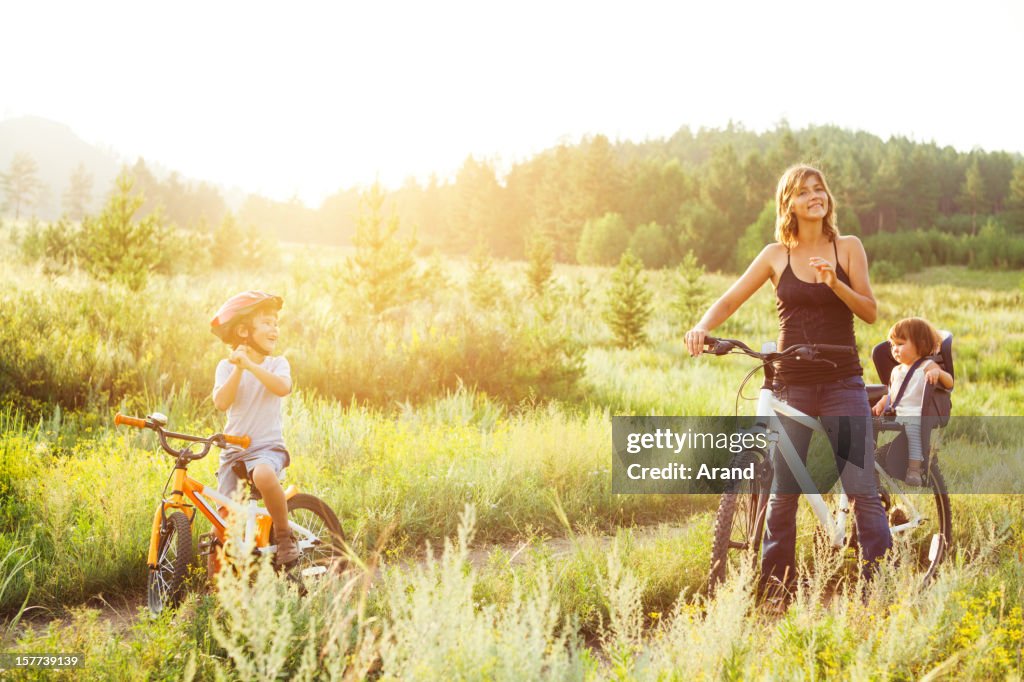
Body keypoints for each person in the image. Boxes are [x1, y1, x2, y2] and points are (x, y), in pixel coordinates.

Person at [684, 163, 892, 602]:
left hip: (841, 378)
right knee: (782, 493)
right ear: (789, 204)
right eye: (805, 191)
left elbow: (870, 312)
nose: (816, 196)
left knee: (861, 489)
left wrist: (835, 283)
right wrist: (703, 326)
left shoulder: (848, 247)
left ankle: (879, 588)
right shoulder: (775, 254)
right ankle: (775, 590)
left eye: (821, 189)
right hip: (791, 381)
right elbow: (730, 297)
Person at [210, 290, 298, 567]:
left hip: (267, 449)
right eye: (268, 323)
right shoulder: (226, 367)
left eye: (276, 324)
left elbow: (282, 387)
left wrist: (251, 365)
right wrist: (239, 368)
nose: (275, 329)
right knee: (222, 525)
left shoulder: (277, 364)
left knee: (262, 474)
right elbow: (221, 402)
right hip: (234, 454)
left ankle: (284, 535)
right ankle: (219, 590)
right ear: (244, 331)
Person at [871, 317, 954, 486]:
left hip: (917, 412)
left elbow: (949, 382)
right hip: (899, 411)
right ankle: (872, 463)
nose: (895, 349)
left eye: (900, 344)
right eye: (892, 345)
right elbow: (893, 394)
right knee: (870, 422)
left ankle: (914, 468)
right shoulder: (896, 371)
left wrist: (938, 375)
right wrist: (882, 402)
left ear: (921, 344)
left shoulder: (927, 365)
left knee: (913, 430)